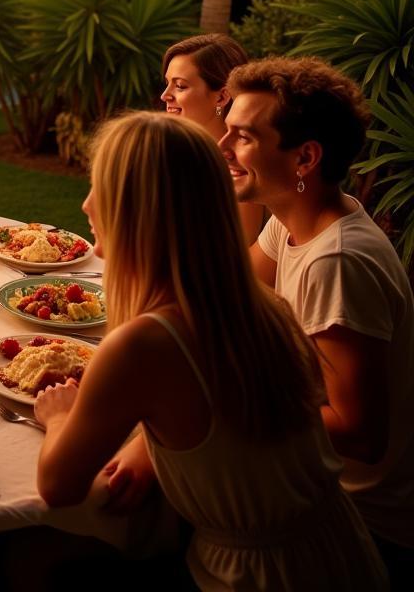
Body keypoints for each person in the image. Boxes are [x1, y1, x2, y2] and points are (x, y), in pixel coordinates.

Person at [34, 111, 386, 590]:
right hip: (337, 551)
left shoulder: (143, 343)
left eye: (101, 187)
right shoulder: (263, 307)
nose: (87, 204)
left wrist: (58, 414)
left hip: (256, 576)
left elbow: (57, 487)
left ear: (135, 211)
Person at [221, 57, 414, 574]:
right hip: (308, 481)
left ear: (305, 158)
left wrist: (229, 404)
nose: (222, 148)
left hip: (353, 521)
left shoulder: (338, 262)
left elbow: (360, 433)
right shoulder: (294, 220)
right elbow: (230, 295)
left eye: (242, 137)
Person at [161, 33, 263, 242]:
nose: (165, 95)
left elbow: (239, 254)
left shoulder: (239, 169)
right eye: (167, 83)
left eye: (180, 86)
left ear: (222, 97)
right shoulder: (175, 151)